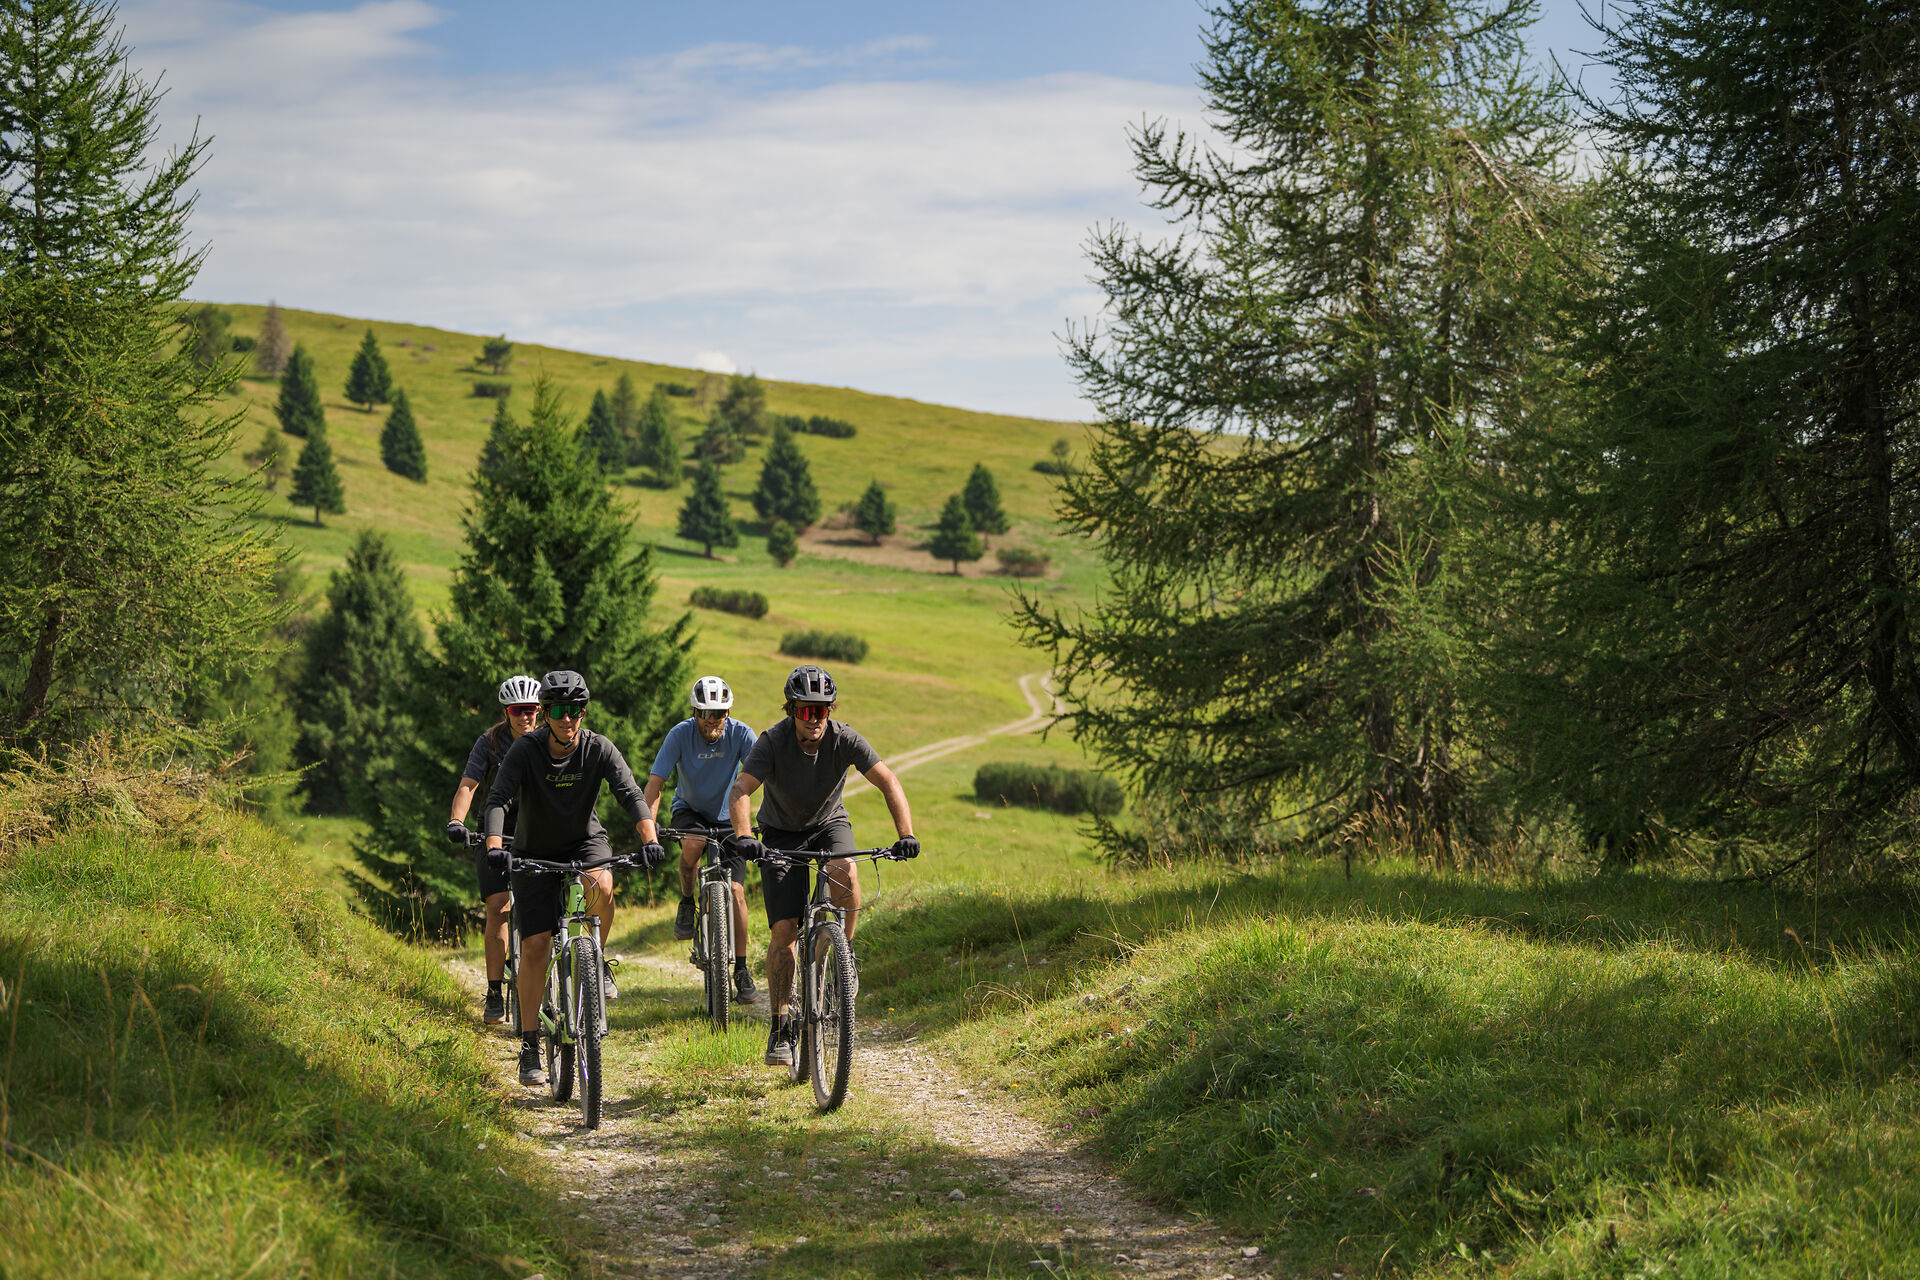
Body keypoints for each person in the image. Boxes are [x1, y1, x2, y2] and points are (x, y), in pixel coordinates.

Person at [723, 664, 919, 1068]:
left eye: (822, 711)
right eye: (805, 711)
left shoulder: (845, 739)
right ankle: (779, 1025)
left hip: (830, 825)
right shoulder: (772, 742)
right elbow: (741, 788)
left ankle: (841, 957)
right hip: (779, 835)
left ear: (830, 711)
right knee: (784, 930)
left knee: (847, 868)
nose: (813, 719)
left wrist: (906, 834)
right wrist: (745, 836)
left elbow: (888, 780)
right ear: (791, 709)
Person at [483, 669, 665, 1086]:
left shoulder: (598, 748)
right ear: (546, 714)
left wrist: (649, 837)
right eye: (561, 711)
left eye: (577, 711)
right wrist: (496, 846)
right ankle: (529, 1044)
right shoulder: (526, 750)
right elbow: (499, 798)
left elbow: (631, 794)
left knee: (602, 884)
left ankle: (595, 962)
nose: (569, 719)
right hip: (534, 851)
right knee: (535, 945)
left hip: (585, 843)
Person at [643, 675, 759, 1003]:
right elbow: (655, 784)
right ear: (694, 712)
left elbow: (763, 776)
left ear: (727, 712)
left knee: (736, 892)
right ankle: (686, 900)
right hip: (690, 810)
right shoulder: (680, 735)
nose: (711, 720)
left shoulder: (741, 734)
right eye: (704, 713)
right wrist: (649, 831)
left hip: (730, 817)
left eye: (718, 713)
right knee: (692, 844)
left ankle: (740, 967)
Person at [444, 674, 541, 1025]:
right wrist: (458, 821)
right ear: (506, 711)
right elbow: (468, 786)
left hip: (537, 832)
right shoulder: (489, 743)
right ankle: (495, 991)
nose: (525, 716)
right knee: (498, 908)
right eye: (518, 710)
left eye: (531, 709)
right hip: (495, 832)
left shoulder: (550, 740)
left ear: (539, 710)